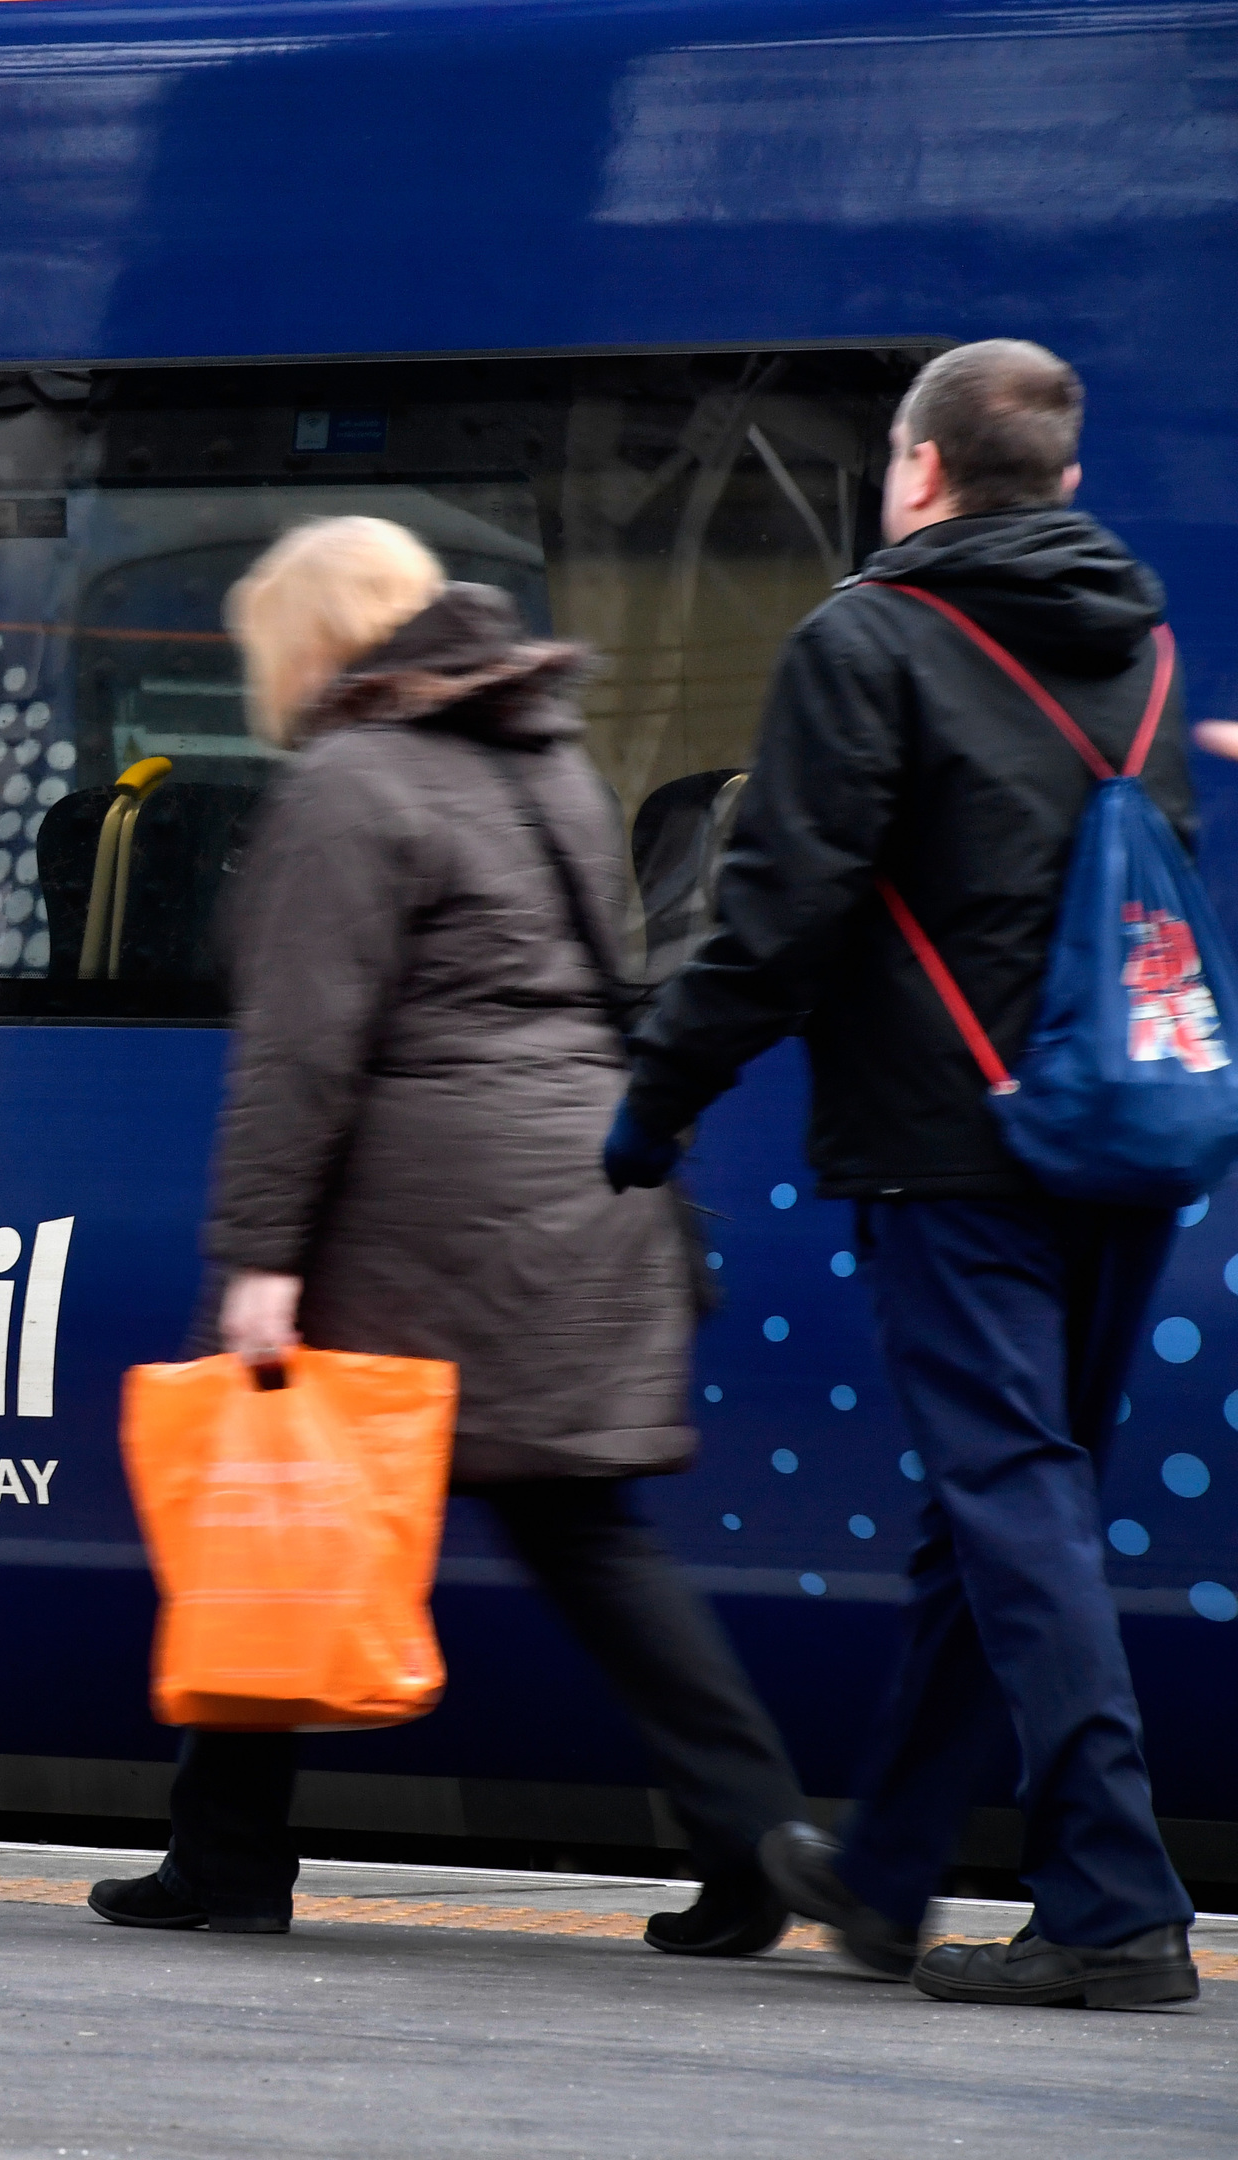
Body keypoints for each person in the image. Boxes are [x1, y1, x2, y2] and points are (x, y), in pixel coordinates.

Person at [86, 517, 808, 1953]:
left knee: (271, 1494)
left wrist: (259, 1260)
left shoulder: (348, 780)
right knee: (586, 1536)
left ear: (307, 642)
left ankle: (227, 1855)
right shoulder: (548, 762)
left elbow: (301, 1051)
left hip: (421, 1216)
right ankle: (758, 1847)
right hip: (579, 1189)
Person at [612, 340, 1202, 2010]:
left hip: (952, 1153)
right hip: (1125, 1136)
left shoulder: (866, 636)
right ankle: (886, 1880)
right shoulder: (1139, 647)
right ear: (1065, 484)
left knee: (1016, 1499)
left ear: (922, 469)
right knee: (1003, 1500)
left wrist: (660, 1099)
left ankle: (1114, 1901)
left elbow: (777, 907)